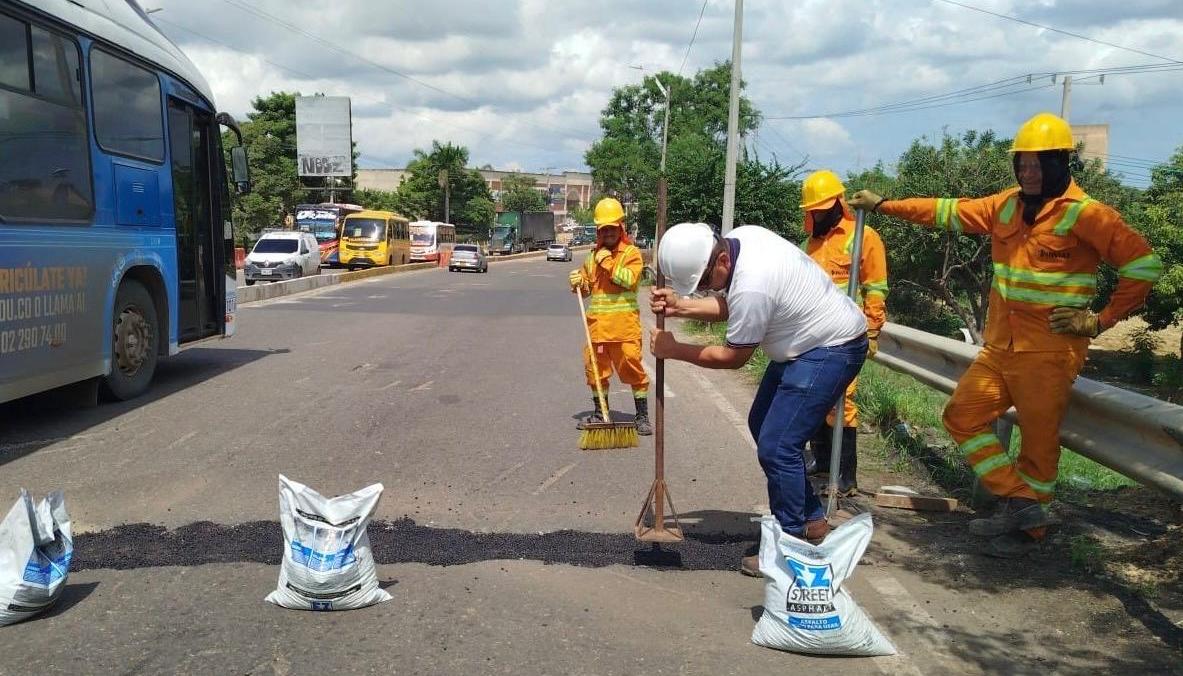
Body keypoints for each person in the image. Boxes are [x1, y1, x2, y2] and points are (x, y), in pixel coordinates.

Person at [848, 112, 1162, 558]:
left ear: (1060, 164)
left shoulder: (1088, 215)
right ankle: (1021, 504)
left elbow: (1144, 267)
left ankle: (1028, 535)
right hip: (1001, 346)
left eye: (1038, 163)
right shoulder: (1006, 205)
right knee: (961, 415)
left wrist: (1100, 320)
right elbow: (945, 211)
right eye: (1022, 164)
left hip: (1049, 353)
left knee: (1038, 447)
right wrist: (884, 206)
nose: (1028, 172)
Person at [650, 222, 868, 576]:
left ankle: (789, 548)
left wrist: (674, 349)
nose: (704, 289)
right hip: (804, 344)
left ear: (720, 259)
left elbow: (733, 357)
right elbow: (727, 303)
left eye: (704, 281)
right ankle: (812, 519)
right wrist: (680, 306)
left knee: (778, 446)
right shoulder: (742, 239)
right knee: (762, 424)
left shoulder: (754, 284)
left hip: (829, 349)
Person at [800, 170, 889, 496]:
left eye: (820, 209)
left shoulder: (864, 236)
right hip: (812, 333)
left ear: (837, 204)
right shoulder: (813, 242)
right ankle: (823, 462)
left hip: (844, 335)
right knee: (815, 398)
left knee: (841, 400)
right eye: (811, 211)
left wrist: (873, 330)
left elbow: (876, 287)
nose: (815, 215)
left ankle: (846, 476)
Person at [569, 197, 652, 435]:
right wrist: (577, 282)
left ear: (620, 228)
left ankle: (642, 416)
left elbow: (629, 280)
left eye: (612, 228)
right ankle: (599, 412)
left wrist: (607, 262)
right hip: (598, 330)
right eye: (603, 229)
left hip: (625, 329)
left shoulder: (631, 254)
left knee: (633, 368)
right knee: (595, 370)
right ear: (598, 230)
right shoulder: (590, 258)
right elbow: (585, 291)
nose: (608, 233)